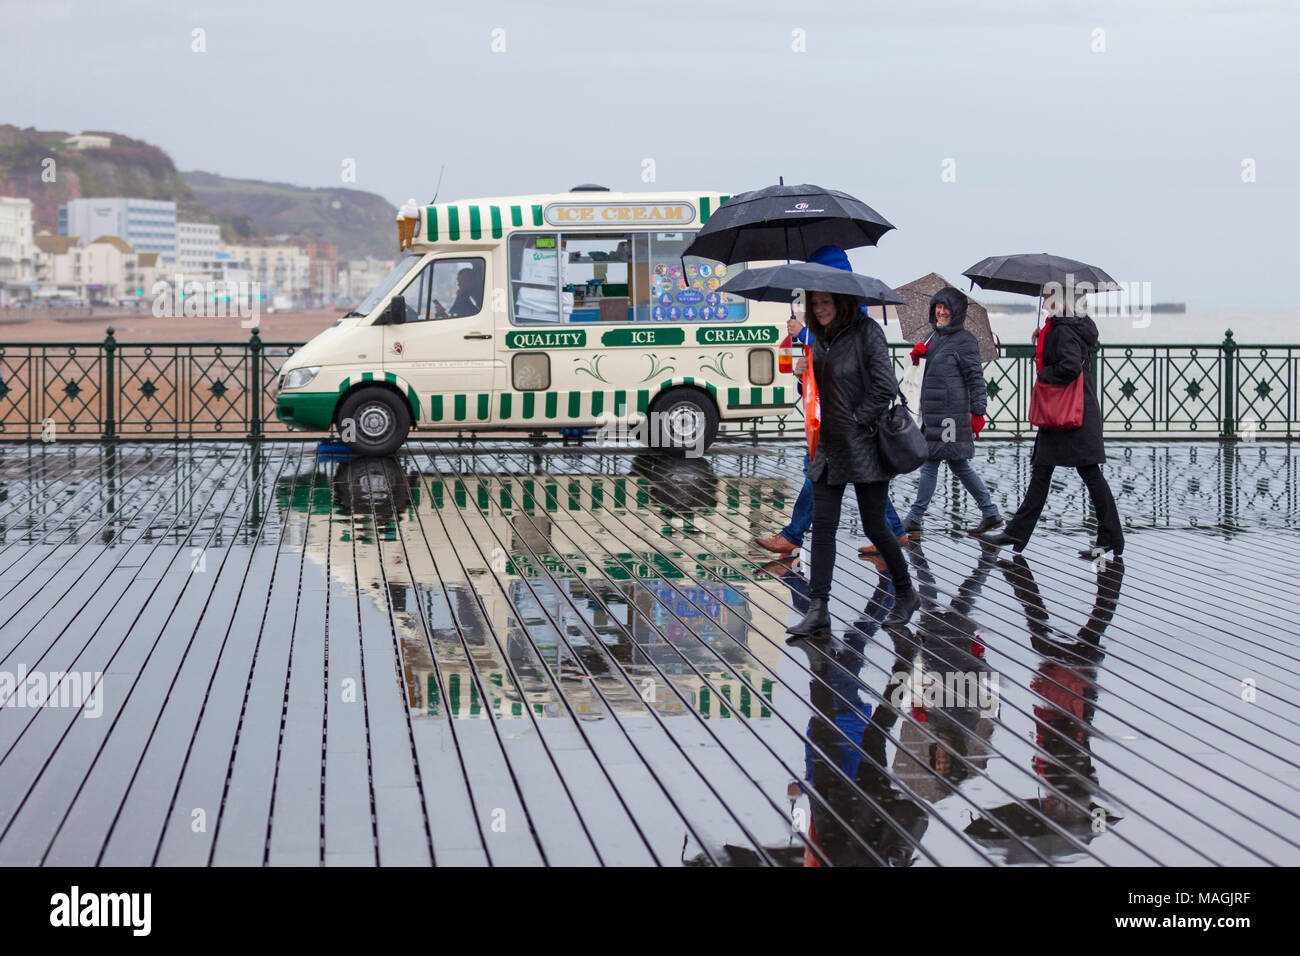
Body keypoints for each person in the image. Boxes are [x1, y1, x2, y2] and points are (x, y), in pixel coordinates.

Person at [756, 245, 909, 556]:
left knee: (819, 474)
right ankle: (893, 532)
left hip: (849, 419)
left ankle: (794, 535)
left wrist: (803, 335)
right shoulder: (821, 315)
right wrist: (803, 372)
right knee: (849, 480)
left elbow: (852, 362)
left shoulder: (858, 319)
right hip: (831, 416)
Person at [786, 289, 919, 636]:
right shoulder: (820, 340)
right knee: (824, 527)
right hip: (828, 446)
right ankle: (818, 608)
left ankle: (906, 593)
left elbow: (885, 386)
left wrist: (858, 419)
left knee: (875, 526)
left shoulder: (866, 332)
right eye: (814, 304)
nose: (820, 309)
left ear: (841, 302)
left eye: (826, 302)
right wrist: (803, 373)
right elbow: (815, 392)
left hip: (863, 447)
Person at [981, 290, 1123, 558]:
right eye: (1045, 296)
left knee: (1083, 474)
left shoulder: (1062, 330)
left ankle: (1110, 537)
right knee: (1047, 471)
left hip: (1070, 413)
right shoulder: (1065, 326)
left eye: (1050, 296)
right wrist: (1042, 341)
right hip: (1073, 411)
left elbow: (1069, 367)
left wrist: (1045, 370)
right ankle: (1018, 533)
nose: (1045, 301)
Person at [901, 288, 1003, 537]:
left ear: (957, 312)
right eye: (938, 307)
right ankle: (990, 513)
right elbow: (925, 374)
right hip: (933, 411)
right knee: (956, 464)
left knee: (932, 462)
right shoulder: (931, 336)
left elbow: (976, 379)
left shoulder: (965, 341)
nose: (942, 312)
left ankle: (915, 517)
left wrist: (978, 412)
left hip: (950, 415)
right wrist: (917, 358)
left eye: (947, 308)